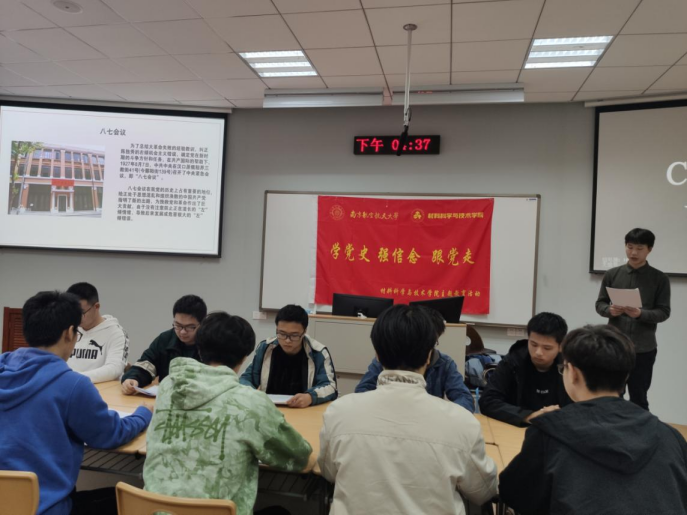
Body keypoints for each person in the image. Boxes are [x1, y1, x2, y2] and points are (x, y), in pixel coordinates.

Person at [318, 305, 497, 514]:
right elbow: (483, 491)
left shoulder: (338, 412)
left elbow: (329, 472)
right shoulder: (463, 423)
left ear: (377, 354)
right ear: (428, 355)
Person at [499, 325, 687, 514]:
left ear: (573, 373)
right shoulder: (670, 436)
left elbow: (514, 493)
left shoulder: (549, 432)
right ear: (626, 376)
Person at [144, 312, 313, 515]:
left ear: (199, 348)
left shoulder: (169, 386)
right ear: (244, 357)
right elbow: (298, 457)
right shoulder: (251, 402)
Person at [0, 291, 152, 515]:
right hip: (47, 508)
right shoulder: (72, 385)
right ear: (70, 333)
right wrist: (142, 414)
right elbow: (110, 434)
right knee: (129, 500)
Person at [595, 228, 671, 410]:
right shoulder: (612, 274)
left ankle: (639, 428)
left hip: (643, 348)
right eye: (629, 247)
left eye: (639, 248)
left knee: (639, 397)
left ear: (649, 249)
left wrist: (640, 314)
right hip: (614, 346)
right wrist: (609, 310)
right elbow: (600, 304)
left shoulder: (659, 278)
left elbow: (664, 312)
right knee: (612, 394)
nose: (633, 253)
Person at [355, 307, 474, 412]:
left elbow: (465, 398)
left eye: (432, 342)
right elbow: (362, 391)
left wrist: (440, 414)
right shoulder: (387, 358)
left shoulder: (445, 363)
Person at [478, 312, 571, 426]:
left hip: (557, 429)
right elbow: (487, 401)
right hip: (516, 428)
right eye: (533, 344)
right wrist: (529, 416)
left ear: (561, 346)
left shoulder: (570, 367)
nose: (538, 352)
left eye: (547, 348)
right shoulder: (513, 361)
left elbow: (582, 407)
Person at [240, 304, 337, 408]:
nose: (287, 340)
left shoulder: (318, 352)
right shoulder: (265, 348)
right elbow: (246, 379)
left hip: (303, 409)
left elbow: (330, 387)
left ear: (304, 331)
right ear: (276, 328)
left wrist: (310, 397)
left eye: (294, 335)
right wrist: (252, 394)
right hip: (270, 408)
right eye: (282, 334)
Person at [121, 294, 206, 394]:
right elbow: (146, 365)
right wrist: (133, 379)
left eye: (190, 327)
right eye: (178, 325)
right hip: (167, 399)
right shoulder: (165, 340)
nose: (182, 332)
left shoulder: (211, 343)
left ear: (202, 324)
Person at [66, 282, 129, 383]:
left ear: (96, 306)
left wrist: (74, 378)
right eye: (72, 312)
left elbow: (115, 369)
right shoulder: (68, 328)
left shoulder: (116, 333)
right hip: (68, 386)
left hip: (100, 389)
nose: (75, 317)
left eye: (81, 312)